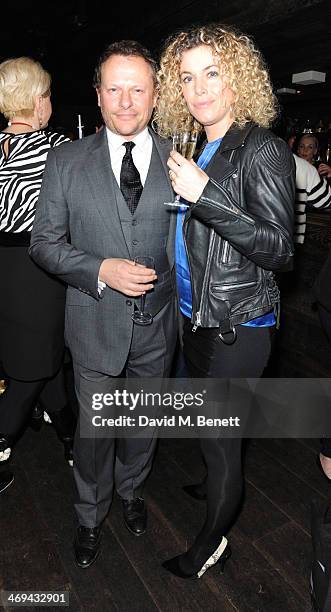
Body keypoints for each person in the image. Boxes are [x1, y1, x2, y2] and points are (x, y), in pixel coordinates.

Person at [154, 23, 295, 579]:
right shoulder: (202, 144)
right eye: (187, 78)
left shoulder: (261, 148)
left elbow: (280, 249)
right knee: (206, 425)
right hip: (198, 317)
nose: (199, 89)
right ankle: (214, 477)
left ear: (238, 79)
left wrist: (203, 196)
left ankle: (208, 546)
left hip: (239, 327)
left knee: (221, 446)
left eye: (212, 73)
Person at [30, 40, 177, 569]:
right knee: (93, 435)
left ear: (156, 96)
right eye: (114, 88)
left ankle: (133, 491)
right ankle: (90, 515)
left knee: (143, 426)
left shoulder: (179, 160)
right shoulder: (66, 160)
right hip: (93, 326)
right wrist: (100, 270)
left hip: (159, 326)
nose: (126, 101)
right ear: (97, 95)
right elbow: (43, 242)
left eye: (138, 89)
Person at [0, 57, 75, 467]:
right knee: (32, 369)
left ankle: (69, 436)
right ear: (35, 100)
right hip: (38, 273)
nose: (50, 101)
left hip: (4, 274)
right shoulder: (56, 147)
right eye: (47, 94)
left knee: (40, 362)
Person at [293, 153, 331, 244]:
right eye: (302, 146)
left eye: (310, 147)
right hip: (296, 229)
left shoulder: (316, 169)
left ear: (315, 151)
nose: (305, 150)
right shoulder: (304, 168)